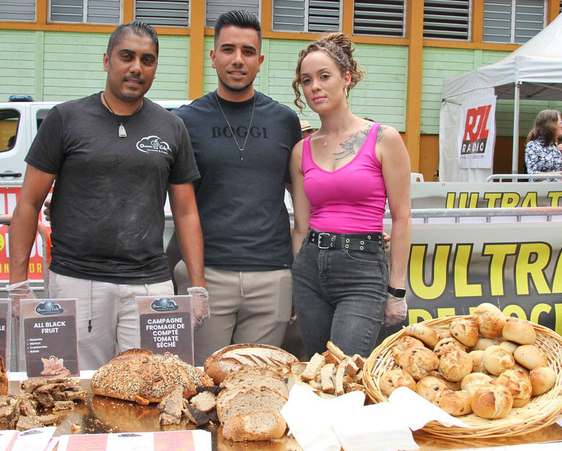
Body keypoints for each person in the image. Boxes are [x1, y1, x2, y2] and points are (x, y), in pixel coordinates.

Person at [7, 21, 209, 370]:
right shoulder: (65, 119)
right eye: (126, 56)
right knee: (71, 388)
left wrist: (197, 287)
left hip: (150, 287)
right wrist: (17, 283)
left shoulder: (171, 127)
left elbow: (187, 212)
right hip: (78, 282)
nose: (136, 68)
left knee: (153, 387)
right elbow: (28, 203)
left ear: (155, 68)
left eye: (148, 60)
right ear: (106, 60)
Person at [172, 11, 302, 366]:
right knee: (202, 381)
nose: (237, 59)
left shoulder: (284, 121)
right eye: (228, 49)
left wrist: (354, 227)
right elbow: (151, 186)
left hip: (272, 275)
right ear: (213, 57)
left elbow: (305, 196)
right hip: (206, 274)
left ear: (260, 61)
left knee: (258, 384)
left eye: (248, 51)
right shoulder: (186, 121)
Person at [289, 32, 412, 358]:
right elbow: (301, 227)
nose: (314, 86)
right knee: (318, 372)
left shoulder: (383, 138)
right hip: (310, 270)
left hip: (362, 272)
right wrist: (296, 284)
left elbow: (402, 217)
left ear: (346, 79)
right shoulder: (301, 150)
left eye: (324, 76)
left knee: (345, 373)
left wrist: (396, 290)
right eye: (306, 80)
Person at [524, 109, 562, 180]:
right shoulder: (533, 145)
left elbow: (561, 170)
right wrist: (558, 174)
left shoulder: (555, 145)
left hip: (556, 188)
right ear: (551, 125)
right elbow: (533, 173)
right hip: (540, 189)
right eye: (560, 123)